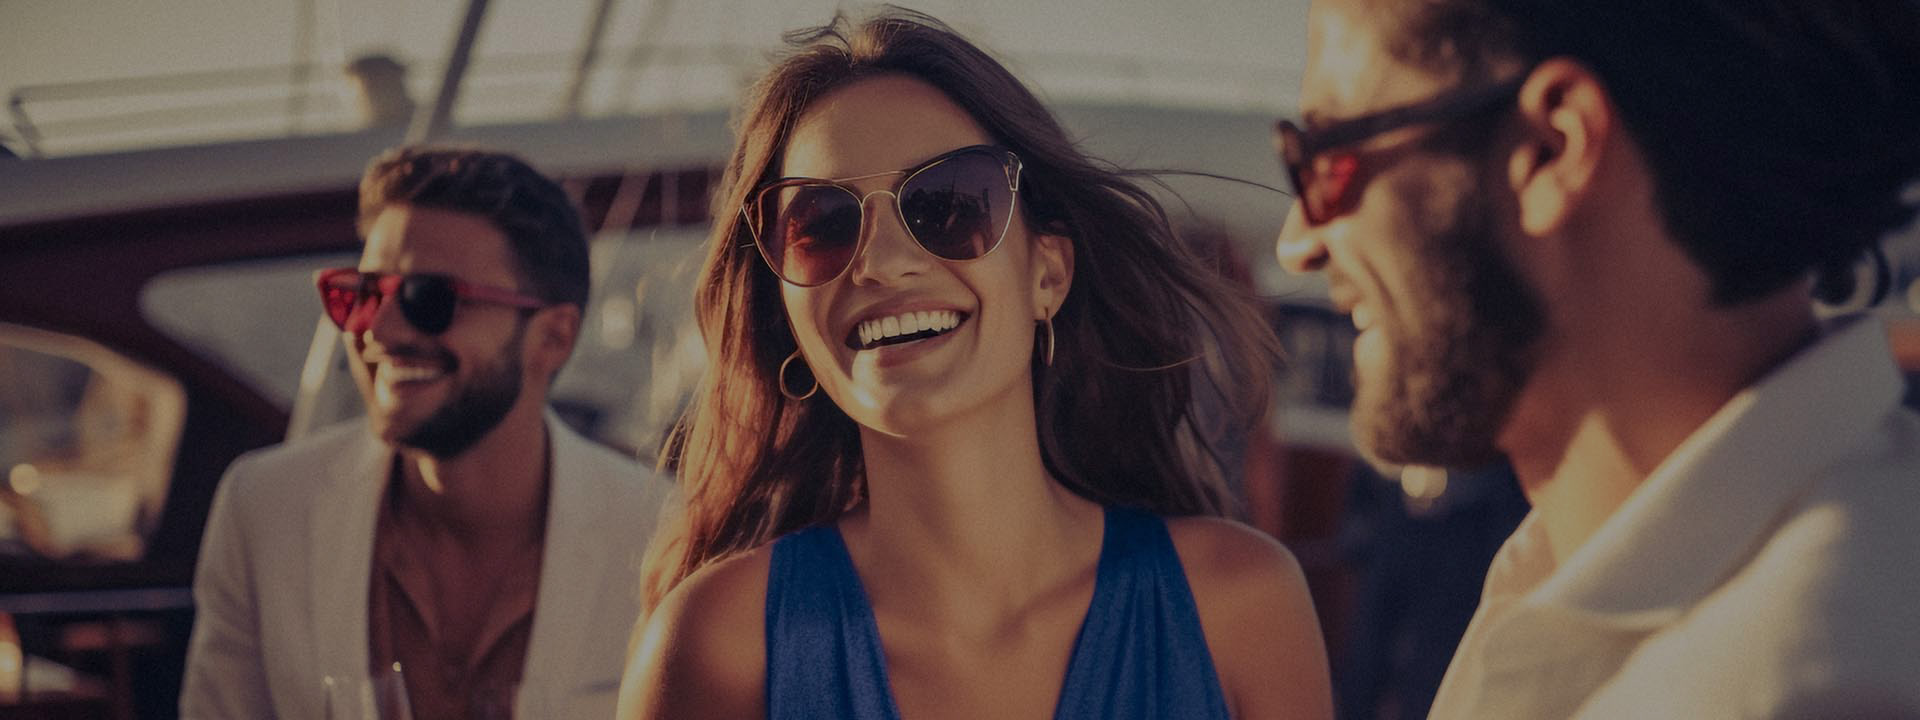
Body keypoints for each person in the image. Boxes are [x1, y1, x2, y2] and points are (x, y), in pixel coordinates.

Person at [620, 9, 1333, 720]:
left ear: (1047, 275)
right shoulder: (721, 646)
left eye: (950, 203)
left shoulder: (1239, 607)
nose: (881, 263)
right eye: (823, 227)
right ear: (787, 317)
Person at [1272, 0, 1920, 716]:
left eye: (1328, 157)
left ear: (1554, 147)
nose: (1295, 243)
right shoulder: (1592, 568)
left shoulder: (1779, 686)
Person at [181, 147, 672, 719]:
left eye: (429, 298)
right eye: (363, 294)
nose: (379, 330)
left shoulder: (663, 535)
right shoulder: (265, 509)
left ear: (553, 338)